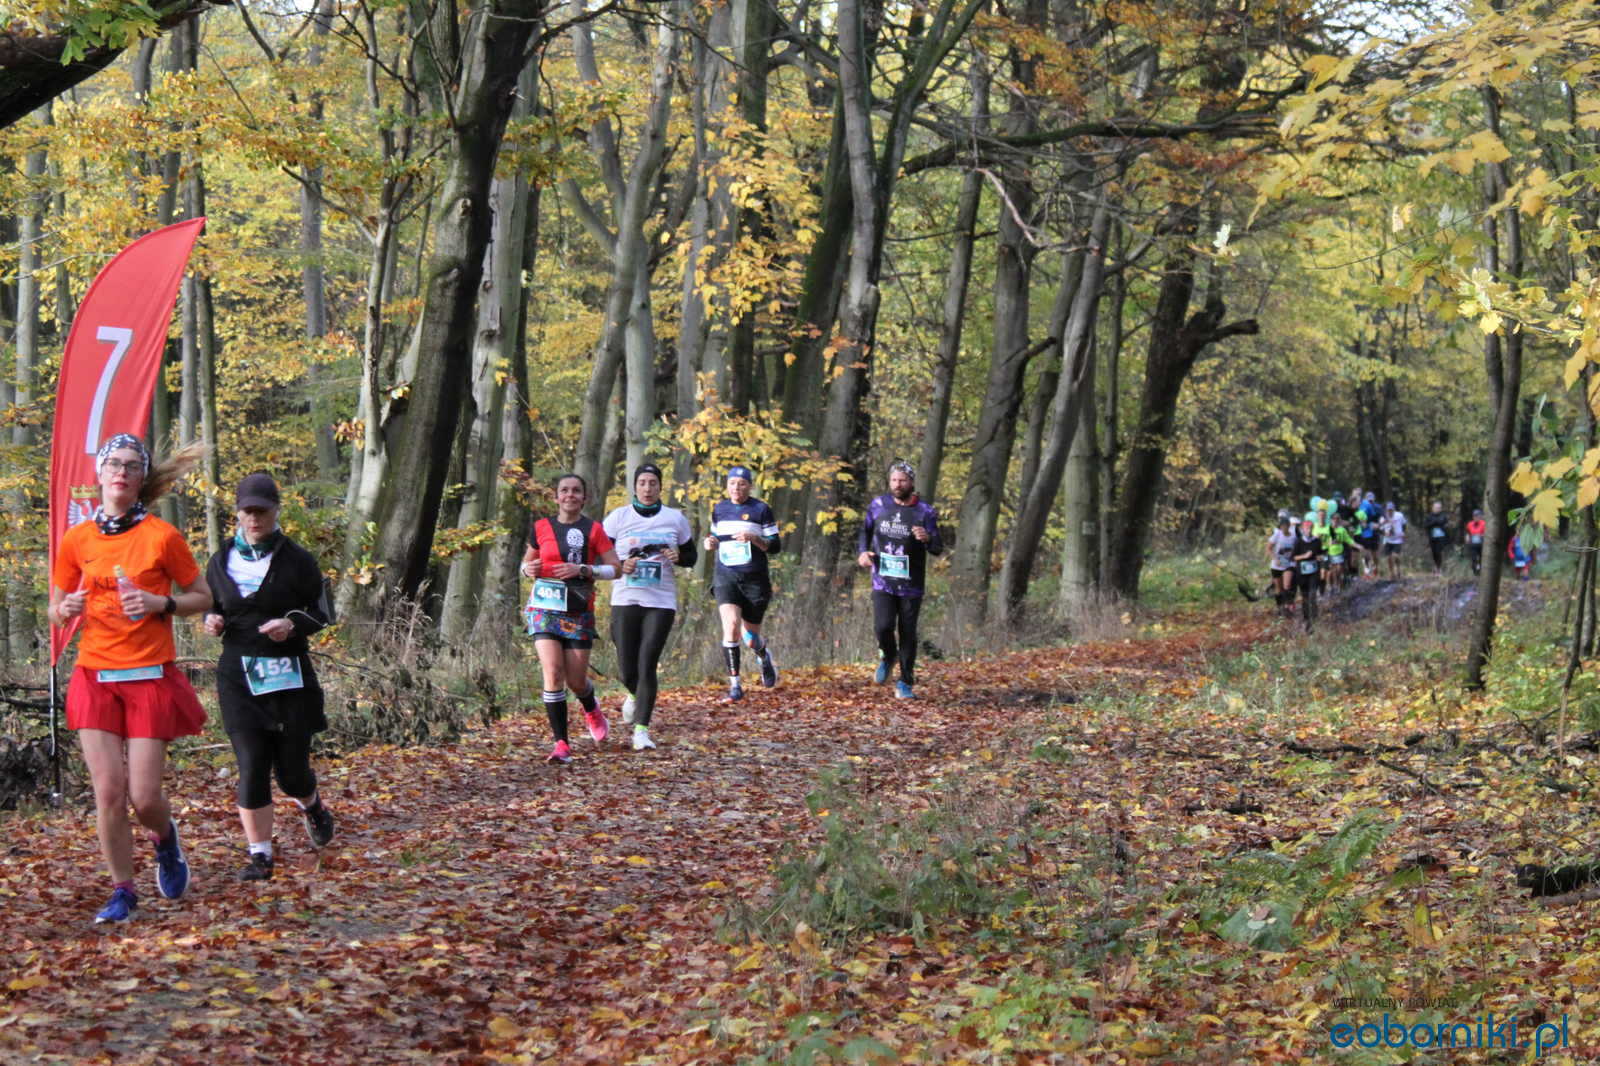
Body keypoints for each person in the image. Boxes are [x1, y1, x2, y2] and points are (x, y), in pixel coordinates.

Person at [47, 435, 212, 924]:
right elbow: (55, 608)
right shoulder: (77, 538)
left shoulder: (162, 536)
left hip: (148, 675)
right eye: (113, 464)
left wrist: (162, 603)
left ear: (141, 479)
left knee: (143, 796)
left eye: (131, 466)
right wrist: (65, 608)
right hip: (95, 674)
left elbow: (202, 596)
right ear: (99, 473)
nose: (121, 472)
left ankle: (165, 838)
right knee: (108, 793)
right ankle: (123, 890)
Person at [202, 473, 336, 882]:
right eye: (247, 511)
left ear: (277, 510)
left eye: (262, 510)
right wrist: (211, 619)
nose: (254, 518)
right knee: (252, 763)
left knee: (291, 773)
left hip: (287, 673)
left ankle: (312, 805)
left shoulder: (298, 560)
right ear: (237, 513)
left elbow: (324, 612)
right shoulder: (220, 560)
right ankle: (260, 855)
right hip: (238, 675)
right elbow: (211, 604)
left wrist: (291, 624)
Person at [522, 473, 621, 764]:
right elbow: (526, 564)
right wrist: (527, 570)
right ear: (556, 497)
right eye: (564, 490)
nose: (570, 495)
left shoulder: (594, 529)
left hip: (578, 609)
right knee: (553, 673)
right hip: (543, 608)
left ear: (584, 498)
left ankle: (591, 707)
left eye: (576, 491)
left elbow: (615, 569)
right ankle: (561, 744)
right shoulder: (541, 527)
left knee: (576, 681)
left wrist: (583, 570)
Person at [602, 463, 696, 751]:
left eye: (653, 483)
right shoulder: (618, 518)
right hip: (625, 598)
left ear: (660, 487)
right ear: (635, 486)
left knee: (647, 663)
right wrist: (622, 564)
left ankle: (641, 730)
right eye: (642, 482)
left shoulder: (675, 519)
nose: (647, 488)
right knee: (627, 669)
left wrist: (678, 557)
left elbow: (691, 557)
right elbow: (599, 557)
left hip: (661, 601)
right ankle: (634, 695)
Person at [856, 460, 944, 699]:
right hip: (882, 579)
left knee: (908, 632)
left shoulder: (925, 512)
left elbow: (937, 547)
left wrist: (927, 538)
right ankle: (888, 655)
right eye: (894, 480)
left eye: (902, 480)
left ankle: (905, 682)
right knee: (883, 627)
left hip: (911, 584)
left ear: (911, 483)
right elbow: (864, 531)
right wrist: (863, 553)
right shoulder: (878, 505)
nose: (897, 484)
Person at [704, 465, 781, 700]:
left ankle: (763, 655)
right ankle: (735, 685)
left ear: (750, 486)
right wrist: (710, 543)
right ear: (727, 485)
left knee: (750, 639)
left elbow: (775, 546)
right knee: (731, 626)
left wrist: (755, 539)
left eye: (742, 483)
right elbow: (714, 537)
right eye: (732, 483)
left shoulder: (761, 509)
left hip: (754, 579)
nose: (736, 487)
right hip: (726, 576)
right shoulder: (720, 509)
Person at [1291, 512, 1323, 630]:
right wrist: (1304, 556)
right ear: (1303, 529)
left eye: (1310, 528)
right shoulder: (1298, 541)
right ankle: (1306, 619)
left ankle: (1314, 617)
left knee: (1313, 595)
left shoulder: (1317, 541)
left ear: (1312, 529)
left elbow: (1321, 554)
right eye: (1306, 528)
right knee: (1305, 597)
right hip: (1302, 573)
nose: (1308, 530)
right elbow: (1293, 557)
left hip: (1314, 572)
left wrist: (1320, 558)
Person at [1267, 514, 1296, 617]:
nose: (1284, 528)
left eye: (1286, 526)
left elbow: (1297, 548)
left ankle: (1288, 607)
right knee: (1279, 589)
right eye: (1282, 526)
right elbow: (1268, 548)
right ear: (1280, 527)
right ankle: (1280, 608)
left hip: (1288, 563)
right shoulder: (1277, 535)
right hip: (1276, 565)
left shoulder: (1294, 536)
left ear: (1289, 526)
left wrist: (1295, 558)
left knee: (1287, 586)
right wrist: (1275, 559)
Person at [1325, 513, 1359, 591]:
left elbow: (1348, 539)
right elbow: (1322, 542)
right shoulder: (1327, 529)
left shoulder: (1342, 530)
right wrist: (1328, 543)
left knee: (1339, 569)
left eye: (1338, 519)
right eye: (1334, 519)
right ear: (1331, 520)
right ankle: (1330, 586)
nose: (1336, 520)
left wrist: (1357, 545)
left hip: (1339, 552)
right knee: (1331, 571)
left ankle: (1338, 586)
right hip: (1329, 553)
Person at [1381, 501, 1407, 579]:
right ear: (1386, 510)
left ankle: (1398, 569)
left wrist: (1403, 532)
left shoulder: (1399, 515)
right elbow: (1380, 529)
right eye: (1388, 510)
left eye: (1391, 510)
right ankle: (1391, 573)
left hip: (1397, 539)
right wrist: (1385, 533)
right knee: (1388, 558)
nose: (1390, 512)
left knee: (1395, 556)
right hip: (1387, 540)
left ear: (1394, 509)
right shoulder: (1383, 518)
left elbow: (1404, 524)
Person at [1424, 501, 1449, 574]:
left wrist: (1443, 526)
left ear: (1441, 509)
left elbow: (1447, 526)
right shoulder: (1429, 516)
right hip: (1432, 538)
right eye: (1436, 508)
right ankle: (1435, 566)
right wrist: (1434, 522)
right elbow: (1426, 526)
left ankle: (1439, 568)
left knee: (1439, 552)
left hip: (1441, 538)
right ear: (1433, 508)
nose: (1437, 509)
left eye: (1439, 508)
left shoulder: (1443, 516)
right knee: (1434, 553)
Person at [1465, 509, 1487, 574]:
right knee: (1473, 558)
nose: (1475, 517)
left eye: (1477, 516)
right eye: (1474, 516)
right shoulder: (1470, 524)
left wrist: (1482, 535)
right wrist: (1467, 537)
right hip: (1473, 544)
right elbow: (1467, 532)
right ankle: (1475, 571)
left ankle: (1480, 570)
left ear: (1480, 516)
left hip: (1481, 544)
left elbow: (1487, 533)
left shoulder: (1483, 523)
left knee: (1481, 558)